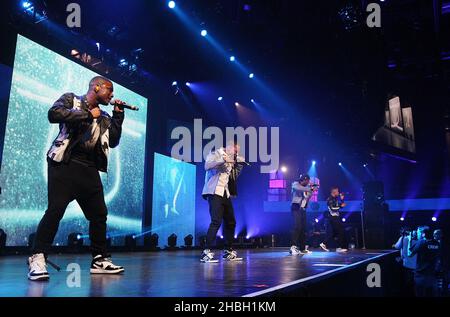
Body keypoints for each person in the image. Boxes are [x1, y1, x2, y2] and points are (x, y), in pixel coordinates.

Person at [28, 76, 125, 281]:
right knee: (55, 210)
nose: (112, 94)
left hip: (89, 168)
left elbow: (113, 141)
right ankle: (37, 257)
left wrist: (118, 115)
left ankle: (99, 259)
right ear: (96, 87)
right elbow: (54, 114)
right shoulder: (71, 100)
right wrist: (87, 115)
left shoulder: (104, 116)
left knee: (99, 214)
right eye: (109, 89)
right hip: (64, 163)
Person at [200, 141, 245, 263]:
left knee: (231, 221)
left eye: (237, 151)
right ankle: (206, 252)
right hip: (214, 191)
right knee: (216, 221)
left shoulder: (231, 159)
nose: (236, 152)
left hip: (225, 193)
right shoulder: (215, 153)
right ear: (229, 147)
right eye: (235, 150)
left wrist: (239, 165)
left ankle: (228, 250)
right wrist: (223, 160)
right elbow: (207, 166)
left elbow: (231, 177)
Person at [408, 226, 441, 297]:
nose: (418, 234)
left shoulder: (421, 242)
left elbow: (409, 254)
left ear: (424, 234)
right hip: (432, 274)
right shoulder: (437, 243)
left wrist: (410, 240)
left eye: (419, 233)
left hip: (421, 274)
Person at [289, 174, 317, 255]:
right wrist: (309, 188)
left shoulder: (307, 188)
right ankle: (293, 246)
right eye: (307, 181)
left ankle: (302, 248)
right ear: (303, 180)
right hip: (295, 206)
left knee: (303, 228)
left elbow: (307, 198)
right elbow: (298, 188)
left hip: (302, 208)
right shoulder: (295, 184)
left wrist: (310, 191)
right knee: (297, 226)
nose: (308, 182)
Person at [319, 187, 348, 253]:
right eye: (337, 191)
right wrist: (341, 206)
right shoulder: (330, 199)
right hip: (333, 217)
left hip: (336, 217)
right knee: (340, 231)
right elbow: (333, 208)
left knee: (334, 233)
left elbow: (340, 206)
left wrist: (342, 200)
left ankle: (324, 243)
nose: (338, 193)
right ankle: (338, 247)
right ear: (334, 192)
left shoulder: (335, 199)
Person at [393, 227, 417, 296]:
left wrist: (394, 245)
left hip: (406, 264)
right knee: (414, 283)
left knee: (406, 283)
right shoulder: (420, 240)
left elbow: (397, 246)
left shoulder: (403, 238)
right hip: (416, 265)